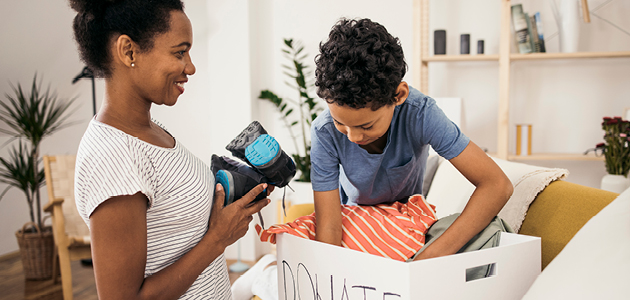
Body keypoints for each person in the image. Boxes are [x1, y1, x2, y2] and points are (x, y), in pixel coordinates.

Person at [70, 0, 269, 299]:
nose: (190, 67)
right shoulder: (114, 157)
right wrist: (218, 239)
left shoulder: (151, 130)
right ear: (129, 51)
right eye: (179, 52)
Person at [310, 17, 513, 260]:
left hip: (409, 225)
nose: (353, 136)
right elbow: (329, 228)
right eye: (340, 123)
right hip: (355, 225)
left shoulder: (421, 114)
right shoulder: (323, 131)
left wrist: (430, 256)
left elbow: (497, 185)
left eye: (366, 125)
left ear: (399, 96)